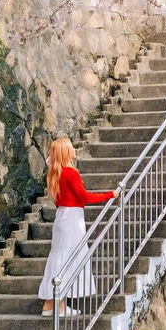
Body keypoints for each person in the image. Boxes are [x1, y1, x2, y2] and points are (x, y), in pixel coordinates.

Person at [38, 136, 119, 317]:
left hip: (61, 218)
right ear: (66, 152)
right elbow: (85, 198)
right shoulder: (70, 173)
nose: (74, 149)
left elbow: (61, 201)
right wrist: (111, 194)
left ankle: (48, 305)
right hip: (72, 219)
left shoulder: (55, 174)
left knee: (59, 258)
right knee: (69, 258)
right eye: (71, 147)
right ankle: (60, 307)